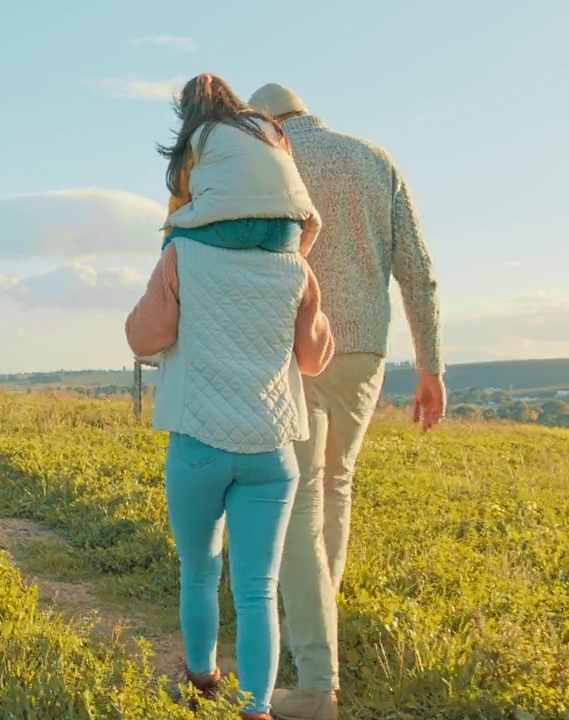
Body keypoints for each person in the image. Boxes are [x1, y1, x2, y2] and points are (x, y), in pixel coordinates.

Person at [126, 73, 335, 720]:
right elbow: (313, 356)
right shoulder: (294, 267)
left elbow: (143, 338)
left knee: (198, 571)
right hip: (271, 452)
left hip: (198, 445)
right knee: (257, 588)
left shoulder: (183, 255)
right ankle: (257, 709)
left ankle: (200, 679)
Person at [247, 83, 445, 720]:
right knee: (336, 487)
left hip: (296, 347)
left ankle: (314, 684)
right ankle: (319, 641)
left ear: (265, 122)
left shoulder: (271, 160)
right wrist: (432, 366)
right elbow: (416, 268)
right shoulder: (374, 158)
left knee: (300, 496)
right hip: (366, 352)